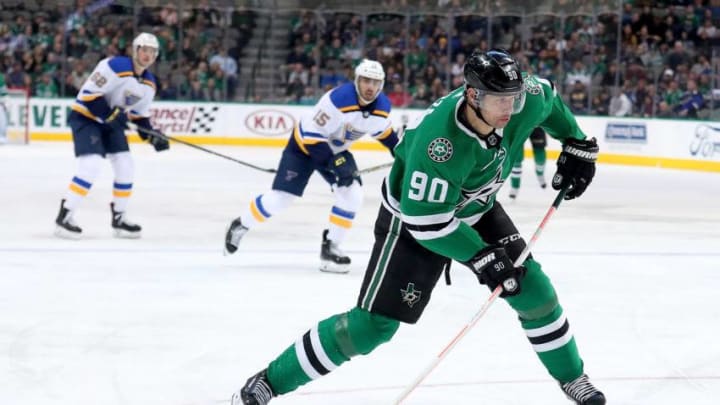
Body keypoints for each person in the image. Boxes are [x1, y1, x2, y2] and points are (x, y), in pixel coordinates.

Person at [230, 49, 605, 405]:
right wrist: (480, 256)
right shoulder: (439, 144)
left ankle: (573, 377)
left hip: (477, 208)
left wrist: (575, 141)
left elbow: (550, 100)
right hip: (412, 223)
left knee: (534, 291)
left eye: (514, 97)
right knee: (372, 328)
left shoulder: (522, 97)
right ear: (473, 95)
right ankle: (268, 381)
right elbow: (428, 222)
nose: (510, 108)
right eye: (499, 100)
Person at [223, 59, 399, 274]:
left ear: (381, 85)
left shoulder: (381, 108)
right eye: (365, 81)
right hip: (304, 148)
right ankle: (241, 224)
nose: (370, 87)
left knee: (352, 195)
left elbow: (386, 135)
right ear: (357, 81)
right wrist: (336, 163)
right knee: (280, 200)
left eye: (375, 82)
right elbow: (311, 135)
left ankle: (331, 247)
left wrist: (403, 154)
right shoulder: (338, 100)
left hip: (336, 151)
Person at [54, 33, 170, 239]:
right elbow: (89, 96)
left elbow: (139, 117)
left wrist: (152, 136)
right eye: (144, 50)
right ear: (135, 50)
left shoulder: (149, 84)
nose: (147, 55)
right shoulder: (114, 66)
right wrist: (111, 115)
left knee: (126, 166)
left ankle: (119, 218)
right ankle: (64, 217)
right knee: (91, 166)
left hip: (111, 123)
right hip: (86, 118)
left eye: (152, 52)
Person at [508, 126, 548, 199]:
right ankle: (515, 186)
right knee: (516, 158)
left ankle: (540, 175)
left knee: (540, 157)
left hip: (537, 122)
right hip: (519, 124)